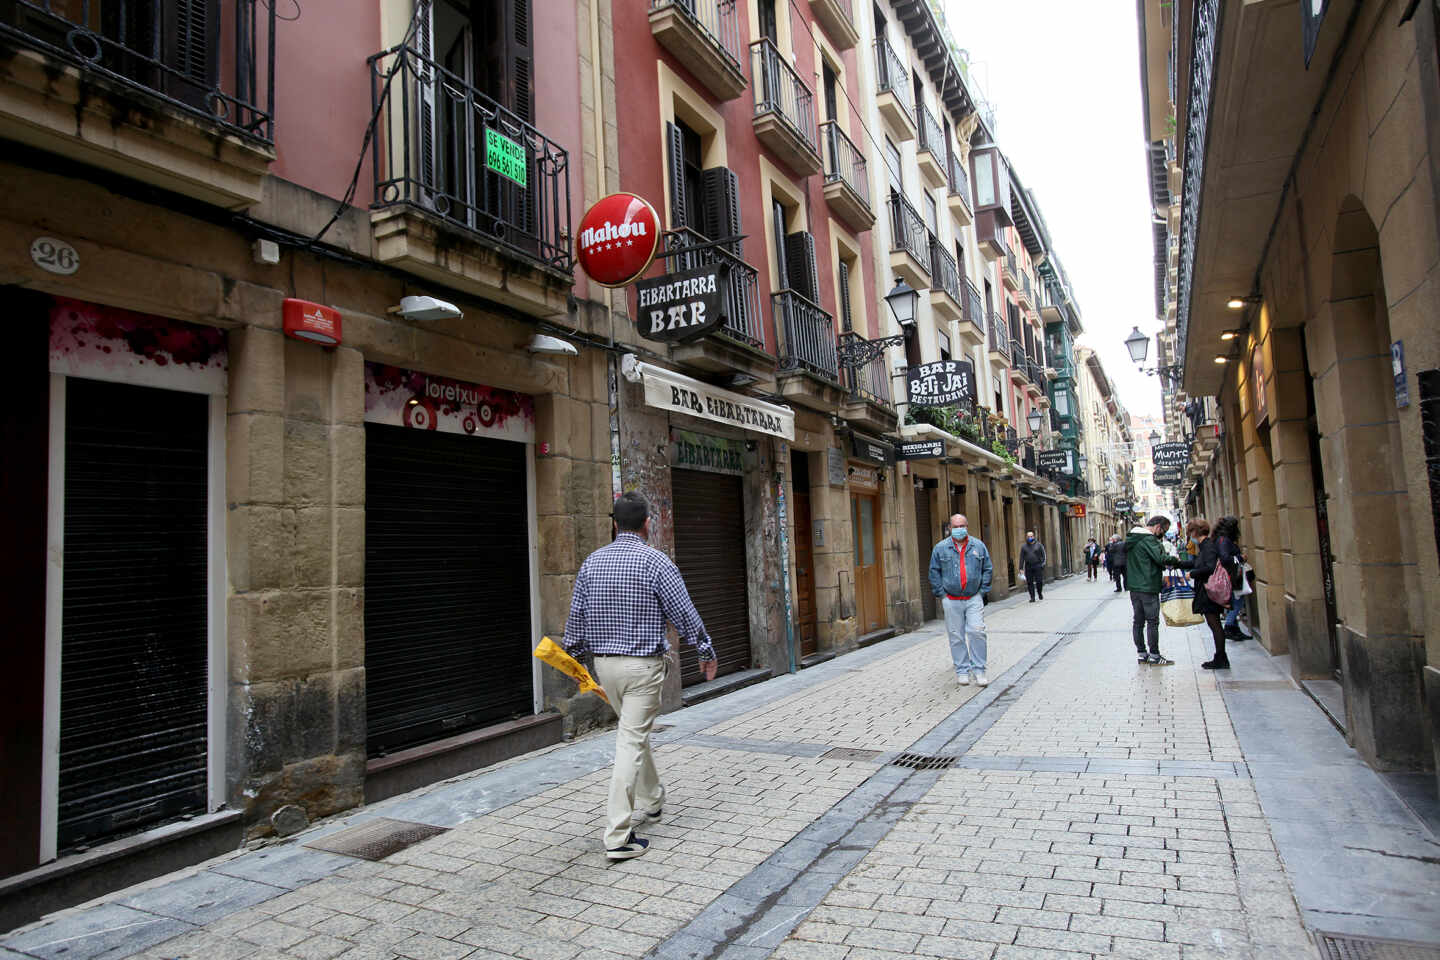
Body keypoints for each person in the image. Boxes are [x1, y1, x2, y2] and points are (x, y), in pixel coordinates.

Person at [562, 491, 718, 861]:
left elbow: (575, 622)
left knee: (634, 733)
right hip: (644, 668)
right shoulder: (656, 562)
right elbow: (684, 613)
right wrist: (706, 651)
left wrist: (574, 663)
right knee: (630, 741)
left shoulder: (592, 562)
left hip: (606, 667)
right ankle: (617, 835)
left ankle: (654, 799)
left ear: (614, 524)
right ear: (648, 523)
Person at [929, 513, 993, 687]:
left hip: (973, 597)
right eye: (955, 526)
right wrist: (942, 594)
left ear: (967, 527)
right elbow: (934, 572)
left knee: (977, 631)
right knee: (956, 635)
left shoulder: (978, 546)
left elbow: (987, 568)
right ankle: (962, 670)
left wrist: (982, 592)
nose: (959, 529)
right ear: (950, 528)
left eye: (962, 526)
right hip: (951, 598)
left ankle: (979, 670)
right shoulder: (940, 548)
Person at [1174, 518, 1241, 670]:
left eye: (1190, 531)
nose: (1189, 534)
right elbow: (1198, 562)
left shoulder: (1208, 546)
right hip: (1206, 590)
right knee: (1214, 624)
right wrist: (1177, 563)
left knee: (1215, 624)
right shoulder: (1205, 546)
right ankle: (1220, 657)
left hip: (1209, 591)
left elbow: (1209, 567)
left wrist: (1192, 574)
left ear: (1195, 532)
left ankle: (1221, 658)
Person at [1126, 515, 1174, 666]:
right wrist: (1177, 561)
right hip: (1148, 585)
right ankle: (1154, 655)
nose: (1163, 535)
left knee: (1138, 621)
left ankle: (1142, 654)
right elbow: (1162, 559)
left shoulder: (1132, 538)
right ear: (1158, 527)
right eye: (1164, 531)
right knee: (1152, 621)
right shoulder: (1149, 539)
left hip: (1134, 587)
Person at [1215, 516, 1248, 641]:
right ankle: (1229, 626)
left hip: (1230, 576)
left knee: (1235, 601)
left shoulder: (1222, 539)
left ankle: (1235, 629)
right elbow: (1225, 559)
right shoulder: (1224, 541)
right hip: (1230, 577)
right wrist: (1240, 558)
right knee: (1237, 601)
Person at [1019, 531, 1047, 601]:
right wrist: (1021, 568)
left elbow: (1043, 555)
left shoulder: (1039, 545)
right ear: (1026, 537)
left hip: (1037, 565)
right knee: (1029, 582)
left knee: (1039, 581)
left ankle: (1039, 593)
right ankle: (1032, 597)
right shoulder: (1024, 547)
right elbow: (1021, 558)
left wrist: (1042, 564)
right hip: (1028, 566)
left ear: (1033, 536)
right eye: (1028, 537)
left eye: (1031, 536)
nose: (1030, 538)